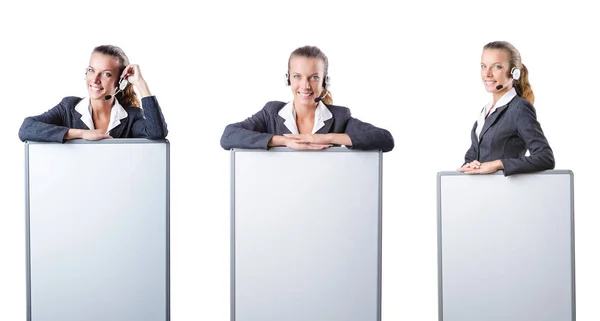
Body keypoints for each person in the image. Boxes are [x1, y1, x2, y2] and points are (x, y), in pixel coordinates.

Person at [220, 45, 394, 152]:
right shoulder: (271, 113)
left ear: (325, 81)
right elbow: (228, 136)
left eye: (314, 77)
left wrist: (324, 138)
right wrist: (285, 141)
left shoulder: (339, 118)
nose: (305, 86)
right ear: (288, 78)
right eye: (297, 76)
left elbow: (385, 139)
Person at [18, 45, 167, 142]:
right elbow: (26, 128)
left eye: (106, 74)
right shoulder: (68, 107)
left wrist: (140, 83)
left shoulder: (131, 117)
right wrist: (80, 134)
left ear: (120, 81)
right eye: (91, 70)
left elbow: (158, 133)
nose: (95, 80)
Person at [458, 41, 554, 176]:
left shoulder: (519, 108)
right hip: (481, 192)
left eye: (497, 67)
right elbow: (473, 156)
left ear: (514, 73)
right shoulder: (485, 111)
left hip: (506, 192)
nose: (487, 73)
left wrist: (498, 164)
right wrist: (470, 165)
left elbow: (545, 158)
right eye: (483, 66)